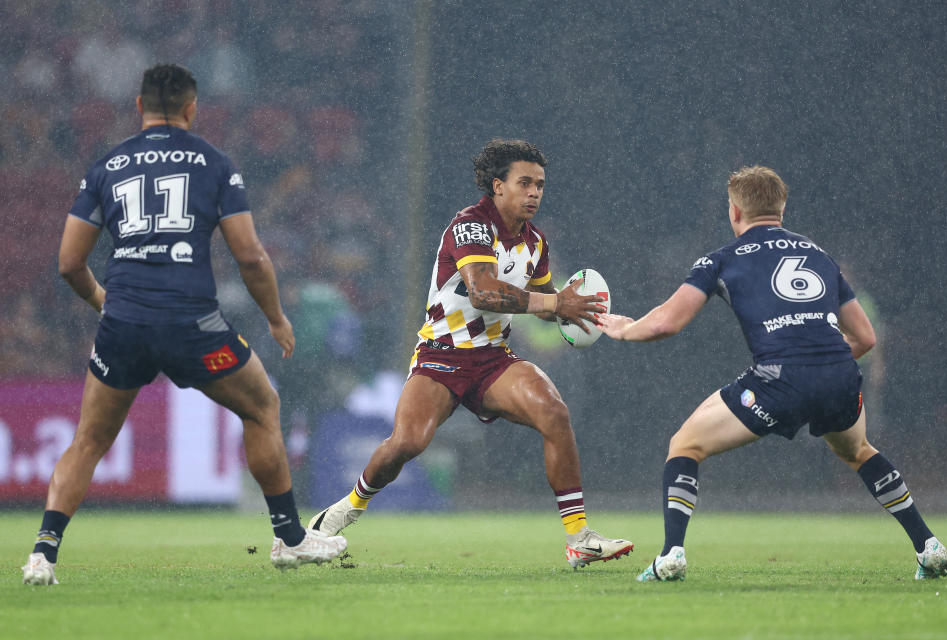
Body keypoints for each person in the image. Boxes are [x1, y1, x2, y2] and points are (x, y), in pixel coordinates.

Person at [22, 64, 346, 586]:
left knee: (88, 440)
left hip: (124, 323)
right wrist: (276, 318)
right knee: (262, 406)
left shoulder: (107, 165)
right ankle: (289, 538)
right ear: (193, 109)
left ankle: (43, 553)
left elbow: (67, 262)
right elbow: (252, 256)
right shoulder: (213, 163)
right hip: (191, 324)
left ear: (139, 107)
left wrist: (104, 301)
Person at [599, 165, 947, 582]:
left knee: (685, 445)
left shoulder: (721, 259)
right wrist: (825, 368)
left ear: (734, 211)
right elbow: (866, 337)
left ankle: (671, 554)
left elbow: (665, 323)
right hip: (840, 372)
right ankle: (928, 546)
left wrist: (622, 331)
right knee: (858, 452)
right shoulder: (819, 255)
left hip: (779, 379)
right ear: (781, 209)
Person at [308, 139, 633, 568]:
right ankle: (343, 510)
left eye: (540, 184)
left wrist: (595, 318)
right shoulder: (471, 226)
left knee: (553, 412)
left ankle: (579, 538)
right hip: (441, 356)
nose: (534, 192)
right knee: (408, 442)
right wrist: (558, 304)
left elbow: (545, 302)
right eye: (524, 183)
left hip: (493, 360)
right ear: (498, 186)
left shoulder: (536, 242)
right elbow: (483, 292)